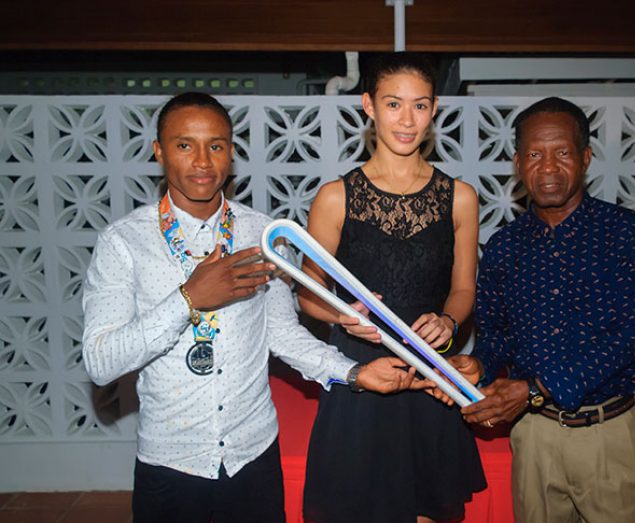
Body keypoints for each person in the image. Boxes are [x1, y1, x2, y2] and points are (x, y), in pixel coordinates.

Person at [81, 92, 421, 523]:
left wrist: (353, 372)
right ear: (159, 152)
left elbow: (281, 332)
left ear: (231, 153)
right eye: (185, 145)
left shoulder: (262, 234)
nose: (203, 161)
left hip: (254, 457)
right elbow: (100, 362)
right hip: (171, 465)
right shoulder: (123, 242)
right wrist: (189, 300)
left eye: (216, 145)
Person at [450, 96, 635, 522]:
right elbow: (497, 338)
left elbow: (625, 338)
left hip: (607, 434)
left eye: (561, 153)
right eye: (534, 154)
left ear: (584, 158)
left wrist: (533, 388)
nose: (547, 167)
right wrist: (476, 367)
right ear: (517, 163)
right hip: (534, 435)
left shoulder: (628, 234)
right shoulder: (505, 247)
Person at [298, 53, 486, 523]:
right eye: (393, 104)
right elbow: (306, 293)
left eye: (419, 106)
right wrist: (343, 315)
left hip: (428, 375)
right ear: (368, 105)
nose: (407, 120)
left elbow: (464, 290)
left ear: (435, 109)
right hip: (360, 375)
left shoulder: (461, 198)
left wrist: (448, 320)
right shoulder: (334, 197)